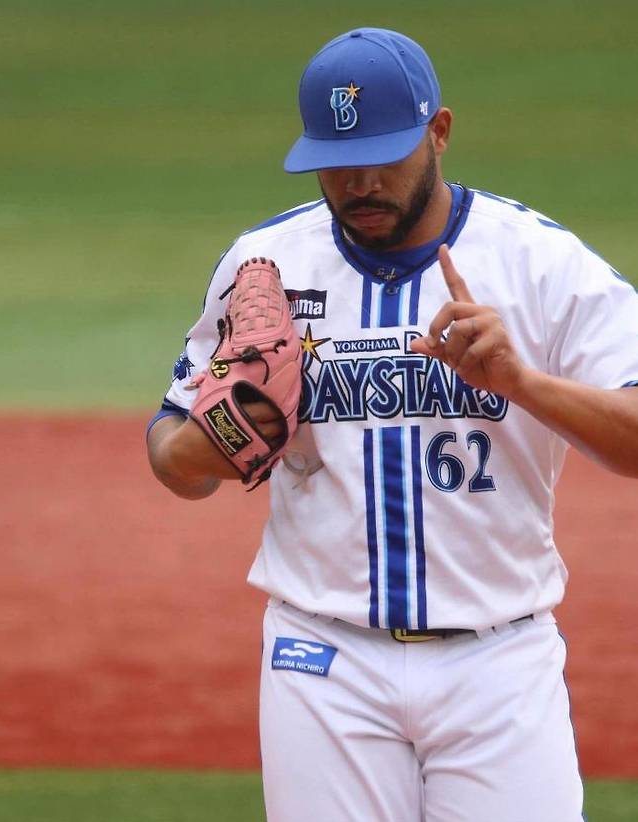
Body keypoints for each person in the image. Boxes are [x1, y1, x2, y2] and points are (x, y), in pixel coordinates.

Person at [147, 27, 638, 822]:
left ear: (438, 132)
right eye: (338, 162)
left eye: (386, 154)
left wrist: (524, 384)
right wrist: (225, 435)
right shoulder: (267, 267)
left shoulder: (538, 262)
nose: (362, 181)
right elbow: (174, 459)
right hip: (322, 661)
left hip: (499, 662)